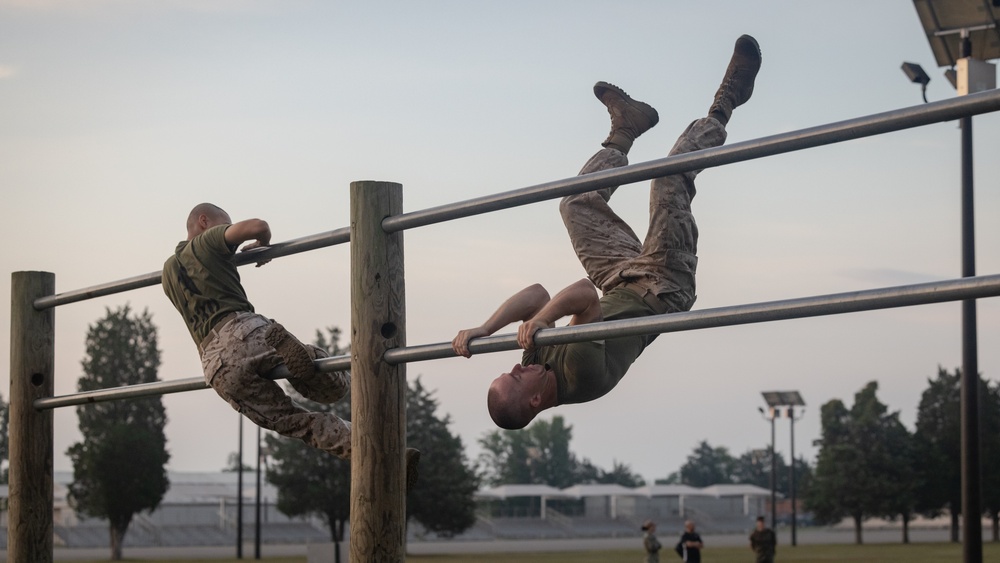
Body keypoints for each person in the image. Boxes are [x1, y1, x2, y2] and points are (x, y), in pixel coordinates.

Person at [452, 35, 762, 429]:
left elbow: (537, 295)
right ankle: (727, 100)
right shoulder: (579, 376)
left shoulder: (536, 364)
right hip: (664, 285)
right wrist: (544, 323)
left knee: (574, 204)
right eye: (515, 375)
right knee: (667, 180)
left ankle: (625, 130)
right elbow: (582, 293)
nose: (516, 365)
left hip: (622, 278)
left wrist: (486, 328)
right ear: (534, 399)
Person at [162, 204, 418, 487]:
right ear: (203, 221)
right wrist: (262, 244)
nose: (232, 248)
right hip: (245, 331)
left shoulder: (168, 273)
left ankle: (387, 457)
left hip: (215, 363)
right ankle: (304, 364)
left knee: (297, 422)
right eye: (225, 225)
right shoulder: (207, 242)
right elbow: (258, 225)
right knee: (336, 386)